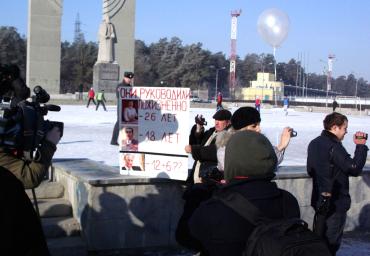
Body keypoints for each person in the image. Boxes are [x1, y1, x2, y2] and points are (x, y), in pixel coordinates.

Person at [188, 130, 300, 256]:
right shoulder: (288, 201)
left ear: (231, 162)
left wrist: (194, 200)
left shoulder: (214, 208)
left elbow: (188, 239)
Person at [307, 112, 368, 255]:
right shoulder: (333, 146)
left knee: (319, 240)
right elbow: (353, 168)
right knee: (330, 243)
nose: (346, 132)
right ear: (335, 127)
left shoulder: (314, 143)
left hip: (319, 200)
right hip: (335, 202)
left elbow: (310, 170)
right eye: (345, 128)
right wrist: (361, 147)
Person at [216, 106, 292, 171]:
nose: (259, 129)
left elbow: (269, 161)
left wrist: (281, 146)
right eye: (254, 126)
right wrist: (280, 146)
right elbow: (252, 169)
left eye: (259, 125)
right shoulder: (226, 148)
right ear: (241, 128)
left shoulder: (259, 144)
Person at [185, 109, 232, 185]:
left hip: (210, 180)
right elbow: (196, 143)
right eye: (216, 120)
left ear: (228, 122)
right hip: (197, 177)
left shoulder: (229, 135)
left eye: (220, 120)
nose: (216, 123)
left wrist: (194, 150)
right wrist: (198, 128)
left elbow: (215, 151)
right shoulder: (211, 132)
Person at [111, 71, 134, 145]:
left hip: (129, 107)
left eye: (130, 78)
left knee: (128, 124)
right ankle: (113, 140)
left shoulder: (130, 87)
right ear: (124, 77)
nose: (129, 80)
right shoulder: (120, 86)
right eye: (128, 78)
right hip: (121, 106)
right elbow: (119, 96)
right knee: (119, 123)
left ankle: (128, 139)